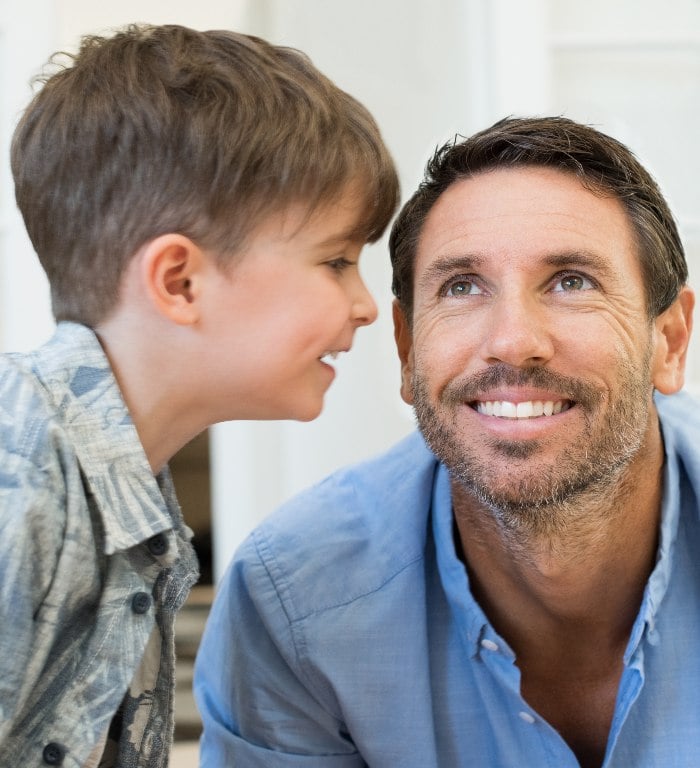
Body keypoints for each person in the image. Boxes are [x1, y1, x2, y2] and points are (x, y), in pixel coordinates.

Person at [194, 115, 698, 768]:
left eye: (572, 280)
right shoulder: (296, 605)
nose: (513, 340)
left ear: (671, 340)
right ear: (406, 351)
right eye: (462, 287)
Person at [0, 23, 398, 768]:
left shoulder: (132, 510)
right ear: (180, 282)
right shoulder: (21, 464)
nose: (367, 305)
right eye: (336, 261)